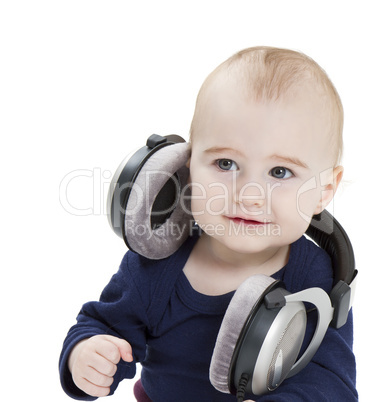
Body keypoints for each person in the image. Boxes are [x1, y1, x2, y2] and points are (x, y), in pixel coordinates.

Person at [59, 46, 357, 401]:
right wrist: (88, 354)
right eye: (225, 164)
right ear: (185, 167)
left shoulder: (314, 280)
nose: (249, 194)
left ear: (324, 190)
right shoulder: (156, 266)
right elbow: (101, 324)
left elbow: (331, 382)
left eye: (280, 172)